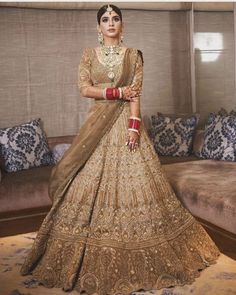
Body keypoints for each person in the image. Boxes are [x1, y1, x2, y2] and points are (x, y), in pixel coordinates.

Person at [20, 4, 220, 295]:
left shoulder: (133, 55)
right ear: (98, 27)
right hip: (97, 126)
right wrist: (115, 92)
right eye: (105, 19)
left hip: (125, 123)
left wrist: (134, 126)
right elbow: (84, 88)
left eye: (115, 18)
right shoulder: (89, 54)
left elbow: (136, 93)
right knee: (84, 186)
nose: (111, 23)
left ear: (122, 26)